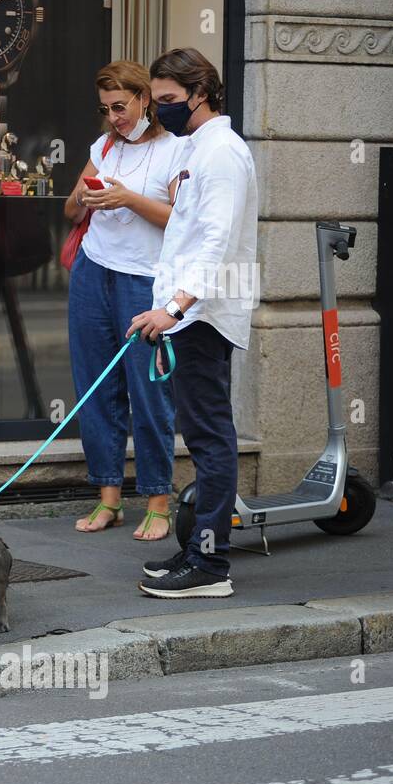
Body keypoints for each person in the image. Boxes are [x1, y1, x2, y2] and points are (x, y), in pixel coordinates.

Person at [129, 47, 259, 598]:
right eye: (157, 102)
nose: (161, 112)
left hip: (203, 314)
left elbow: (217, 241)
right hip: (193, 313)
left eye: (169, 101)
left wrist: (176, 308)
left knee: (210, 439)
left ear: (200, 92)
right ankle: (199, 552)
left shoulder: (221, 152)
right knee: (204, 436)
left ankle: (210, 566)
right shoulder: (198, 149)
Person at [64, 60, 183, 541]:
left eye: (120, 106)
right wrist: (85, 197)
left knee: (148, 390)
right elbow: (70, 209)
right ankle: (108, 498)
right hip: (94, 271)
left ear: (144, 100)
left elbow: (182, 220)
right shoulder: (104, 146)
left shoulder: (176, 150)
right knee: (95, 387)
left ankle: (158, 499)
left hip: (145, 282)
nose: (113, 116)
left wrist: (128, 199)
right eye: (105, 108)